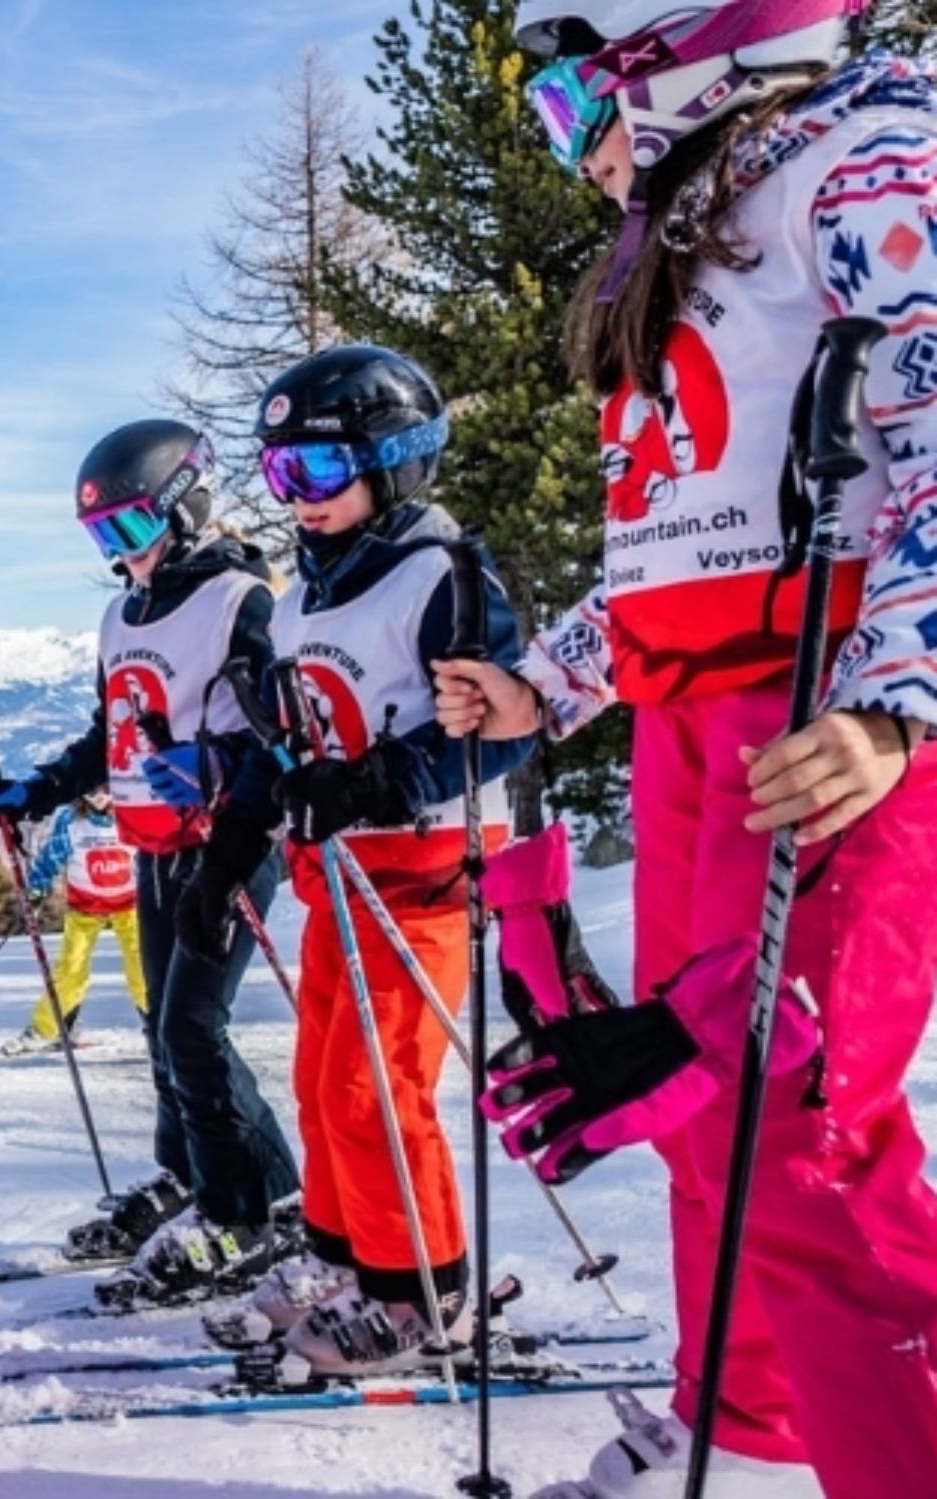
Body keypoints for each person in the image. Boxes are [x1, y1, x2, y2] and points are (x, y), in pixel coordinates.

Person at [432, 8, 937, 1495]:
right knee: (697, 1105)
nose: (569, 142)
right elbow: (682, 530)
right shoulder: (701, 221)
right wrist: (548, 686)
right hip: (695, 726)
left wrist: (898, 703)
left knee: (803, 1116)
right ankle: (753, 1436)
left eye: (576, 94)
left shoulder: (868, 160)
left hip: (823, 718)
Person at [191, 346, 531, 1375]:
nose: (296, 499)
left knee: (374, 1086)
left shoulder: (441, 575)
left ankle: (419, 1290)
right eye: (279, 475)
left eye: (316, 473)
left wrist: (380, 780)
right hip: (337, 876)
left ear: (395, 463)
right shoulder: (298, 598)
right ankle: (344, 1259)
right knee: (320, 1078)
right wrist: (228, 849)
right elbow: (277, 747)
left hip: (425, 871)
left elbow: (508, 725)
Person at [0, 420, 302, 1306]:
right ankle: (206, 1176)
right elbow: (110, 732)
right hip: (152, 843)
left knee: (195, 1028)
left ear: (187, 507)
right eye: (102, 538)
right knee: (169, 1030)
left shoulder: (241, 600)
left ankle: (245, 1211)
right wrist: (36, 790)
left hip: (226, 842)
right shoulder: (122, 614)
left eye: (130, 531)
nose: (122, 558)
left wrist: (221, 766)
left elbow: (277, 732)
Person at [0, 789, 149, 1056]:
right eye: (90, 790)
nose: (99, 795)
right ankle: (49, 1029)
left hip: (129, 904)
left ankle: (159, 1026)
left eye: (104, 787)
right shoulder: (71, 821)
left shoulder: (130, 813)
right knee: (70, 968)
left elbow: (154, 850)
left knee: (141, 966)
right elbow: (49, 860)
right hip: (85, 906)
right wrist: (35, 891)